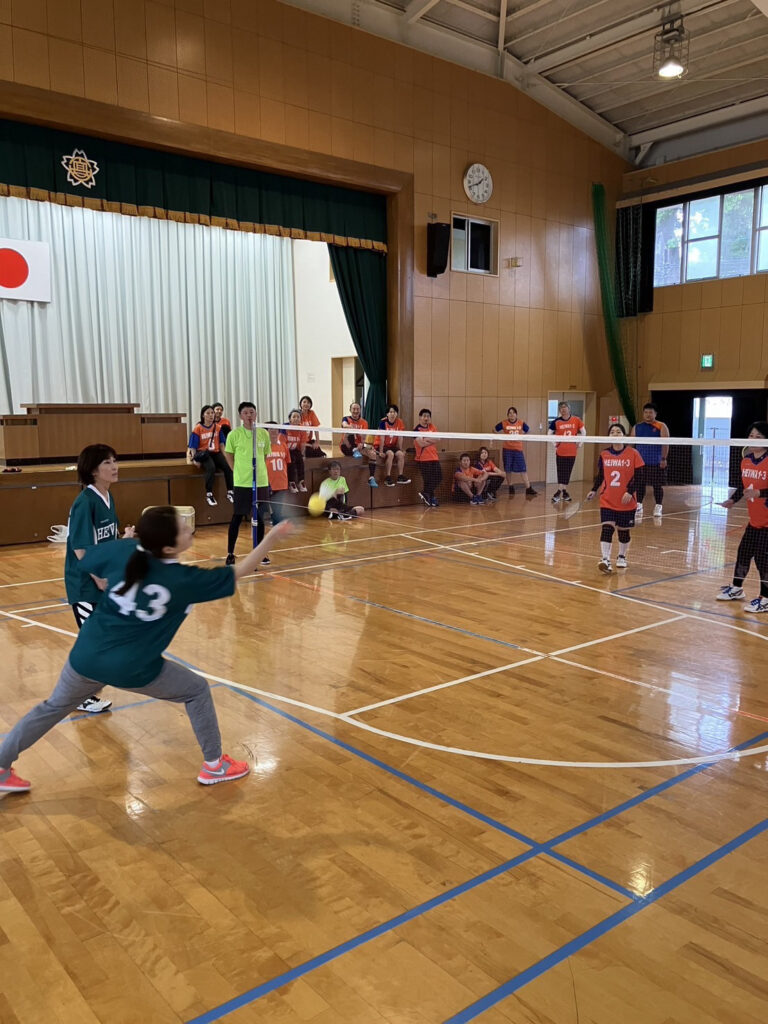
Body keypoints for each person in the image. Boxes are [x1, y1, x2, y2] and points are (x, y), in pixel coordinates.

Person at [0, 510, 295, 794]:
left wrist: (123, 547)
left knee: (51, 708)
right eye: (182, 529)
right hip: (132, 667)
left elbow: (87, 560)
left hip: (87, 656)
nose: (189, 529)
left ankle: (1, 764)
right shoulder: (184, 580)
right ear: (168, 547)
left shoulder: (125, 550)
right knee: (196, 690)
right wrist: (271, 537)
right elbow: (241, 570)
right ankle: (215, 766)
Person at [64, 443, 136, 715]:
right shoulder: (85, 502)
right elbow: (81, 549)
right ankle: (78, 696)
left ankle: (83, 692)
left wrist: (124, 539)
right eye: (107, 462)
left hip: (102, 582)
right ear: (93, 470)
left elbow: (104, 541)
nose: (114, 466)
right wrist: (98, 578)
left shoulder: (108, 497)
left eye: (115, 460)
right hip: (85, 584)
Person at [716, 421, 768, 612]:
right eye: (751, 436)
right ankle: (737, 589)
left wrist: (760, 494)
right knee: (743, 553)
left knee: (763, 561)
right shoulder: (746, 460)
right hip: (755, 520)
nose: (753, 439)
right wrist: (732, 500)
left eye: (759, 437)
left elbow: (757, 491)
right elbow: (743, 486)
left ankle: (765, 598)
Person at [586, 423, 644, 574]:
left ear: (624, 435)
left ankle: (622, 556)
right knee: (607, 528)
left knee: (623, 532)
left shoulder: (633, 453)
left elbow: (640, 477)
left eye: (619, 431)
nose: (615, 434)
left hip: (626, 501)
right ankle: (605, 559)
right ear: (608, 436)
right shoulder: (604, 454)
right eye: (612, 432)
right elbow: (601, 475)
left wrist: (630, 492)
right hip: (608, 499)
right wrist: (594, 489)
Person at [224, 402, 271, 567]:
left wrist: (259, 472)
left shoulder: (263, 434)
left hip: (261, 481)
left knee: (260, 517)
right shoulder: (234, 435)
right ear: (240, 416)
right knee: (237, 516)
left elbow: (265, 455)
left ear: (256, 414)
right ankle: (230, 553)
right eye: (246, 413)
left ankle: (259, 553)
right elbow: (228, 454)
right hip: (242, 482)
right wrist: (236, 470)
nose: (249, 415)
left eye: (252, 412)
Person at [187, 404, 234, 506]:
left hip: (215, 452)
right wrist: (195, 459)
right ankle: (209, 493)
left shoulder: (218, 428)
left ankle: (230, 491)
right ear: (203, 415)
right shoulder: (198, 428)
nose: (211, 415)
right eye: (208, 413)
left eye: (212, 413)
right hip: (204, 453)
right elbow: (193, 446)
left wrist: (226, 457)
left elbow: (222, 444)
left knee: (228, 466)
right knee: (211, 467)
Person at [630, 402, 670, 519]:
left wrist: (663, 458)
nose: (648, 415)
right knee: (639, 484)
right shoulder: (637, 427)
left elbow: (666, 444)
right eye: (646, 412)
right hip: (640, 462)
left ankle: (658, 506)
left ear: (655, 414)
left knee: (657, 486)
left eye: (650, 412)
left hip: (656, 462)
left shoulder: (661, 426)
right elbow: (631, 444)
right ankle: (639, 505)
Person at [493, 407, 537, 496]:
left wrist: (522, 436)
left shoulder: (521, 423)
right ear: (507, 415)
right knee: (508, 469)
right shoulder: (504, 423)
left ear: (516, 414)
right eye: (510, 413)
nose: (511, 415)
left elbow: (528, 430)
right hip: (507, 450)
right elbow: (494, 429)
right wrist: (501, 437)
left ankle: (528, 488)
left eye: (513, 413)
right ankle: (510, 486)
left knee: (523, 468)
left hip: (518, 450)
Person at [548, 401, 586, 504]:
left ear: (569, 409)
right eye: (561, 408)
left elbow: (584, 432)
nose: (563, 409)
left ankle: (559, 492)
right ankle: (563, 492)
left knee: (567, 472)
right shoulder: (556, 421)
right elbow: (549, 434)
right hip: (560, 451)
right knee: (561, 472)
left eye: (565, 407)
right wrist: (555, 444)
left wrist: (580, 443)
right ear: (559, 410)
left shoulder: (576, 420)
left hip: (572, 452)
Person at [341, 401, 379, 488]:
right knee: (349, 432)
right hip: (347, 445)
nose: (356, 411)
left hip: (359, 446)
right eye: (354, 409)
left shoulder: (364, 422)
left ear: (360, 410)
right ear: (350, 410)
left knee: (373, 454)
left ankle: (371, 478)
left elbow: (363, 438)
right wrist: (353, 428)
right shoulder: (346, 419)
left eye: (357, 409)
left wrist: (362, 444)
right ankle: (354, 450)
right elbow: (345, 425)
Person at [375, 404, 410, 486]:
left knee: (400, 454)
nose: (392, 414)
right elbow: (382, 438)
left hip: (392, 446)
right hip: (381, 445)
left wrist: (400, 449)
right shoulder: (383, 422)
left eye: (394, 412)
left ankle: (400, 476)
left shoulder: (400, 422)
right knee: (390, 454)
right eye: (390, 412)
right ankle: (388, 477)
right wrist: (381, 452)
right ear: (387, 414)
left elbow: (400, 437)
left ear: (396, 413)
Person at [265, 423, 291, 528]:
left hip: (281, 481)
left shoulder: (283, 445)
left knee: (279, 508)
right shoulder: (264, 446)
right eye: (271, 429)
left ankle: (276, 523)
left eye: (275, 429)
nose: (273, 431)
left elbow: (287, 462)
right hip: (268, 481)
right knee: (268, 506)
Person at [414, 408, 442, 508]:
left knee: (439, 477)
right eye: (424, 416)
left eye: (428, 416)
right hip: (423, 459)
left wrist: (426, 439)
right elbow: (421, 444)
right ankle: (431, 498)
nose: (426, 418)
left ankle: (426, 493)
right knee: (428, 480)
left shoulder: (432, 426)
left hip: (434, 457)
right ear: (420, 417)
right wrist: (431, 440)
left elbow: (438, 438)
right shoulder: (416, 429)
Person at [281, 409, 308, 494]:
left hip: (295, 449)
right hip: (285, 450)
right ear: (290, 419)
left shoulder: (302, 429)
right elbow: (281, 443)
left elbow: (303, 444)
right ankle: (291, 482)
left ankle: (301, 481)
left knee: (300, 460)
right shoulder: (284, 427)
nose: (296, 418)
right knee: (291, 460)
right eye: (294, 417)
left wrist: (302, 455)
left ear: (300, 419)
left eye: (298, 417)